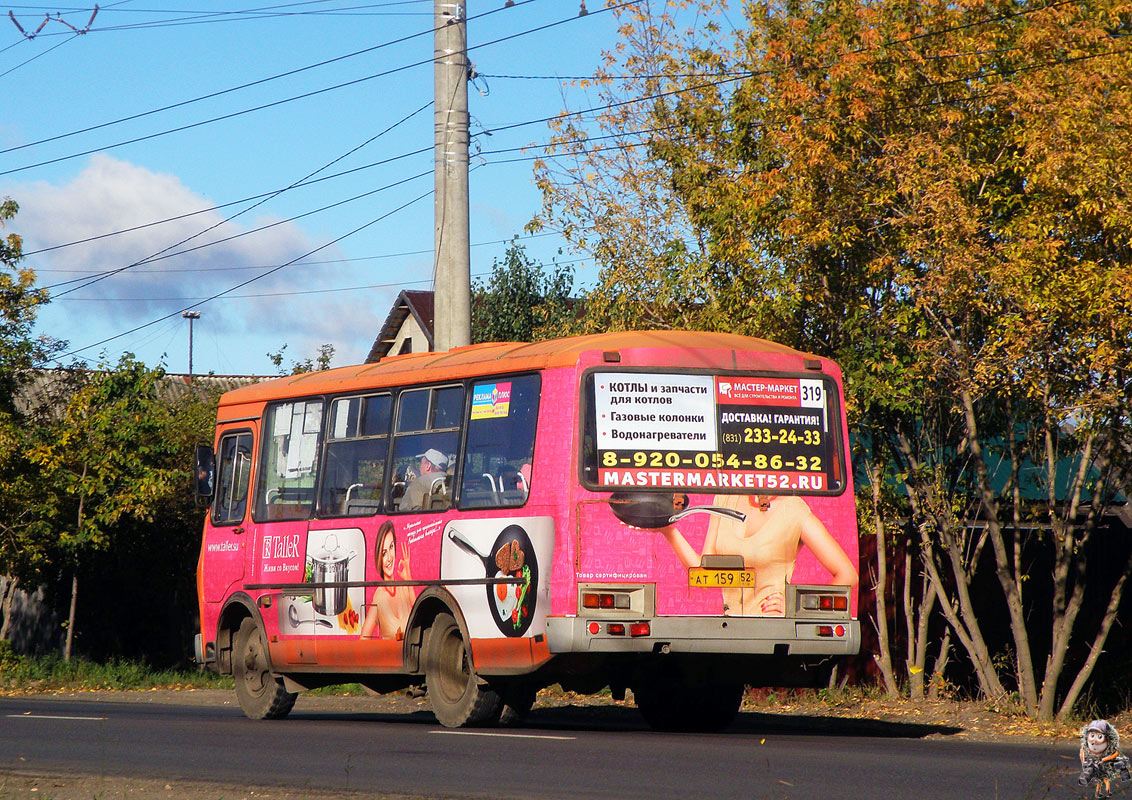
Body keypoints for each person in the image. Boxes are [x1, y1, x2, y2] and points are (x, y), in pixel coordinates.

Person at [658, 493, 858, 616]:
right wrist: (669, 531)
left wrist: (797, 605)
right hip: (729, 626)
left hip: (773, 624)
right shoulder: (725, 498)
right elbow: (704, 575)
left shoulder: (794, 508)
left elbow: (847, 574)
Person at [360, 521, 415, 640]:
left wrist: (408, 578)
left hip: (410, 657)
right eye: (384, 553)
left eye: (391, 547)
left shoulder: (404, 586)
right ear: (378, 558)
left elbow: (420, 619)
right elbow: (364, 639)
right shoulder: (379, 597)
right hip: (391, 657)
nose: (389, 558)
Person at [1079, 719, 1131, 798]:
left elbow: (1115, 753)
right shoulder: (1086, 748)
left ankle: (1106, 792)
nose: (1094, 741)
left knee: (1105, 779)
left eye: (1099, 736)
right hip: (1095, 766)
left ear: (1109, 739)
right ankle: (1099, 793)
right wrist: (1084, 762)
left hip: (1105, 766)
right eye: (1092, 735)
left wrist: (1105, 759)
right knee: (1100, 781)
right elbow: (1082, 751)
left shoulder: (1110, 748)